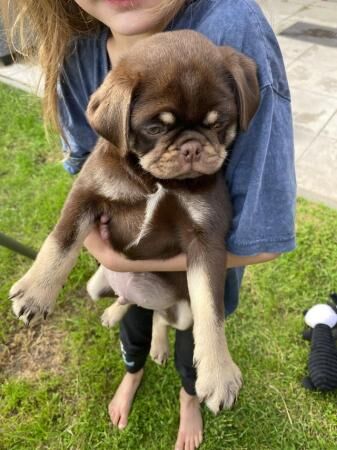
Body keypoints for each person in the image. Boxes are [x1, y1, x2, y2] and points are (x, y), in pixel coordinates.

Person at [2, 1, 296, 449]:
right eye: (159, 131)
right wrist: (51, 273)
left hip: (180, 294)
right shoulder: (86, 60)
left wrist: (213, 346)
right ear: (119, 126)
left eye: (216, 130)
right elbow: (83, 199)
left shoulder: (234, 30)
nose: (192, 152)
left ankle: (188, 398)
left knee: (187, 340)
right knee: (132, 327)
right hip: (126, 278)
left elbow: (210, 244)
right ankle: (132, 367)